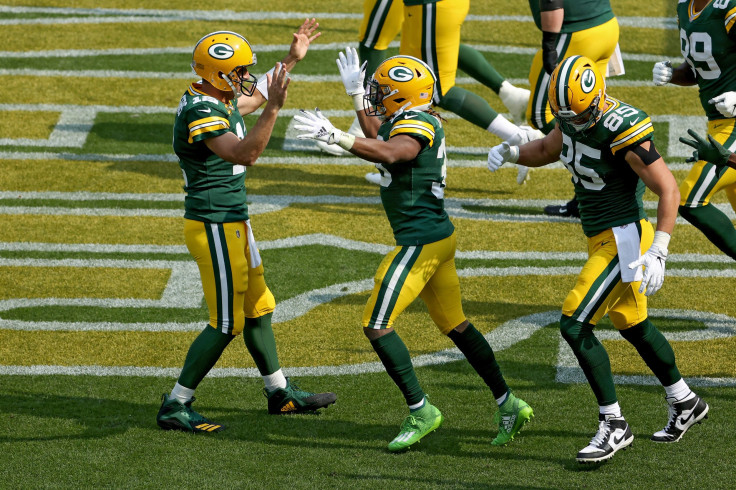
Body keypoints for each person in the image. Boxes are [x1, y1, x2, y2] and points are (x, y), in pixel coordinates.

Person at [295, 53, 534, 452]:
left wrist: (338, 136)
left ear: (403, 96)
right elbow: (381, 139)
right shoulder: (413, 117)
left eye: (383, 91)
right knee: (457, 325)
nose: (377, 96)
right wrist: (355, 94)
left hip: (420, 242)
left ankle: (420, 409)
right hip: (437, 237)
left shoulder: (417, 124)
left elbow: (390, 153)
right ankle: (509, 402)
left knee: (376, 324)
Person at [487, 55, 709, 463]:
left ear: (596, 97)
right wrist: (516, 154)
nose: (571, 120)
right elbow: (550, 147)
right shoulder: (573, 113)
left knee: (573, 322)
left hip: (625, 239)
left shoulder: (621, 127)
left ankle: (614, 424)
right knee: (634, 325)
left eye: (576, 112)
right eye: (564, 114)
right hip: (599, 236)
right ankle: (685, 401)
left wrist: (659, 249)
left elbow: (669, 189)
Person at [156, 23, 337, 434]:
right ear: (220, 75)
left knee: (259, 308)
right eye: (239, 70)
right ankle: (176, 403)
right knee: (226, 322)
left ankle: (280, 392)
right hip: (213, 224)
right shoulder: (202, 110)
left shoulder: (216, 98)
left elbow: (248, 101)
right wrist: (274, 107)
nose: (245, 77)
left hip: (234, 221)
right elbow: (244, 153)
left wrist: (292, 59)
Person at [334, 0, 536, 180]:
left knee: (438, 90)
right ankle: (399, 170)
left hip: (431, 7)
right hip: (425, 8)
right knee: (414, 71)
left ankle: (517, 136)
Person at [652, 0, 736, 260]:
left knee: (690, 199)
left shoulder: (728, 7)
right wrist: (673, 74)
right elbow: (699, 69)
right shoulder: (684, 8)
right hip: (718, 124)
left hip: (733, 126)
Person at [524, 0, 621, 216]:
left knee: (540, 114)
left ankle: (602, 177)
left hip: (574, 31)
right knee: (591, 112)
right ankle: (589, 198)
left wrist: (549, 45)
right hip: (606, 25)